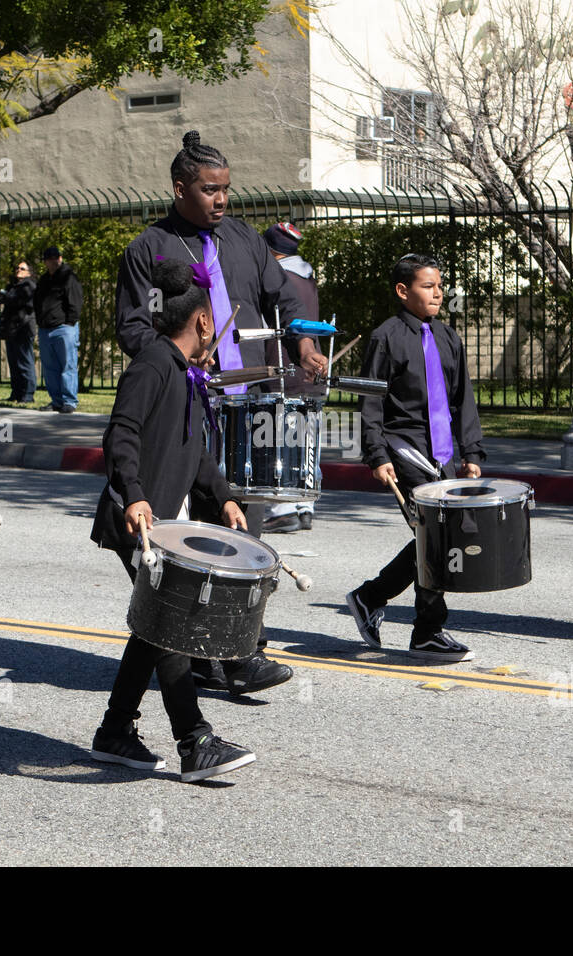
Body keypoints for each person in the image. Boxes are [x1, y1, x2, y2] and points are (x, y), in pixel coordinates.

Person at [115, 130, 329, 697]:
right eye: (210, 190)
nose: (222, 200)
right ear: (180, 187)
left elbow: (283, 298)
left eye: (227, 189)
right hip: (188, 401)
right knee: (193, 536)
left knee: (240, 525)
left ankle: (236, 652)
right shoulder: (152, 249)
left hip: (246, 402)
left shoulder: (243, 239)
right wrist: (185, 359)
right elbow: (135, 328)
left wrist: (302, 344)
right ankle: (215, 656)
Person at [89, 258, 257, 782]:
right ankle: (194, 740)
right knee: (172, 625)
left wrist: (223, 496)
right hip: (137, 520)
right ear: (204, 321)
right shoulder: (152, 365)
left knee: (154, 629)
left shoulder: (183, 370)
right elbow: (121, 433)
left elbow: (194, 451)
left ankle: (115, 731)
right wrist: (136, 495)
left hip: (164, 522)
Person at [345, 254, 485, 662]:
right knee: (434, 536)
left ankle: (373, 598)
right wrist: (376, 453)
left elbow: (463, 399)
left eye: (440, 285)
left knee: (439, 537)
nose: (438, 292)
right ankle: (425, 627)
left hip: (440, 451)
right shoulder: (385, 337)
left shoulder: (447, 337)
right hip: (402, 446)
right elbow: (370, 401)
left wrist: (471, 451)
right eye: (428, 286)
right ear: (403, 291)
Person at [262, 221, 326, 534]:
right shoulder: (308, 277)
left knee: (279, 437)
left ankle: (282, 507)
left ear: (271, 251)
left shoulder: (277, 276)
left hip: (284, 365)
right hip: (312, 367)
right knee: (307, 438)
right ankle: (305, 505)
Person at [34, 246, 83, 413]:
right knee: (50, 368)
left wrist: (70, 323)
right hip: (46, 329)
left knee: (67, 365)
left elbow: (75, 301)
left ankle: (69, 401)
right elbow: (38, 301)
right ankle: (56, 401)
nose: (53, 261)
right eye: (49, 258)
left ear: (60, 258)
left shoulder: (69, 277)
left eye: (56, 257)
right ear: (45, 261)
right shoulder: (44, 280)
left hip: (64, 328)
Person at [0, 260, 37, 403]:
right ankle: (16, 392)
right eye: (17, 267)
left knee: (24, 361)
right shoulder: (13, 286)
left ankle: (28, 394)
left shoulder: (29, 285)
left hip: (23, 327)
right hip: (12, 328)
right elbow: (1, 296)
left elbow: (16, 300)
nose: (18, 270)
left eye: (22, 268)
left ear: (29, 272)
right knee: (13, 362)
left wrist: (4, 296)